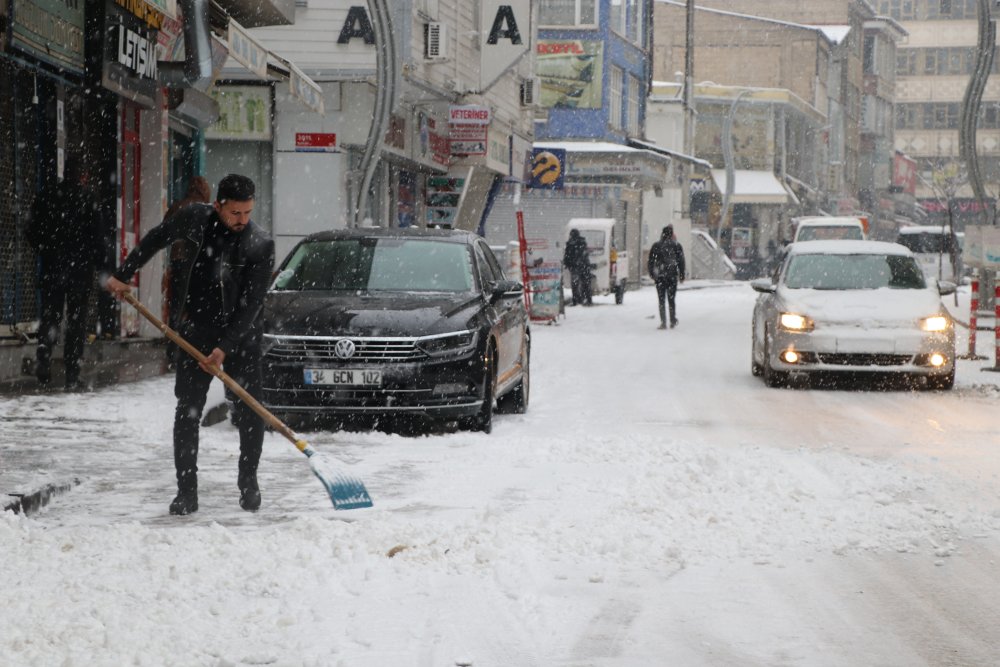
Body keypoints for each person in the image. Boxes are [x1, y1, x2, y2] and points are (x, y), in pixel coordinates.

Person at [105, 174, 275, 516]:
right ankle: (186, 491)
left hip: (240, 337)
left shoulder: (260, 244)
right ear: (218, 205)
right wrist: (124, 274)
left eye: (248, 213)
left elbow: (251, 304)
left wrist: (224, 347)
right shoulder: (194, 219)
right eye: (235, 213)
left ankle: (248, 482)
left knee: (249, 409)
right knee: (187, 411)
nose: (242, 221)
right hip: (196, 329)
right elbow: (155, 239)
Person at [27, 160, 103, 391]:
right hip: (79, 271)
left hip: (53, 267)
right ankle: (71, 375)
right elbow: (97, 236)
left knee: (51, 316)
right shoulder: (88, 199)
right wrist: (98, 263)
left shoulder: (47, 196)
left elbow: (32, 229)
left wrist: (45, 249)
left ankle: (44, 356)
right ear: (83, 175)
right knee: (76, 323)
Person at [162, 176, 212, 366]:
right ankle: (193, 350)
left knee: (177, 306)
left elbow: (164, 229)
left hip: (179, 260)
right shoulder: (208, 209)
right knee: (198, 307)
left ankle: (173, 350)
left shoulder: (178, 206)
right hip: (200, 262)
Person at [647, 225, 686, 329]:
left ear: (662, 234)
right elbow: (681, 262)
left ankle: (663, 322)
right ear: (671, 234)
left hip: (660, 276)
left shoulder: (656, 246)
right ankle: (672, 320)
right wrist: (681, 275)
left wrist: (652, 273)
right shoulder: (677, 246)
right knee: (671, 299)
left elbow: (651, 261)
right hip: (672, 276)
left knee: (661, 300)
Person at [563, 228, 593, 306]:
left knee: (575, 285)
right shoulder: (582, 242)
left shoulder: (570, 243)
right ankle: (587, 299)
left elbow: (567, 255)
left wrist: (567, 263)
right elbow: (584, 253)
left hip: (575, 267)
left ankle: (577, 300)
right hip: (583, 266)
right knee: (585, 283)